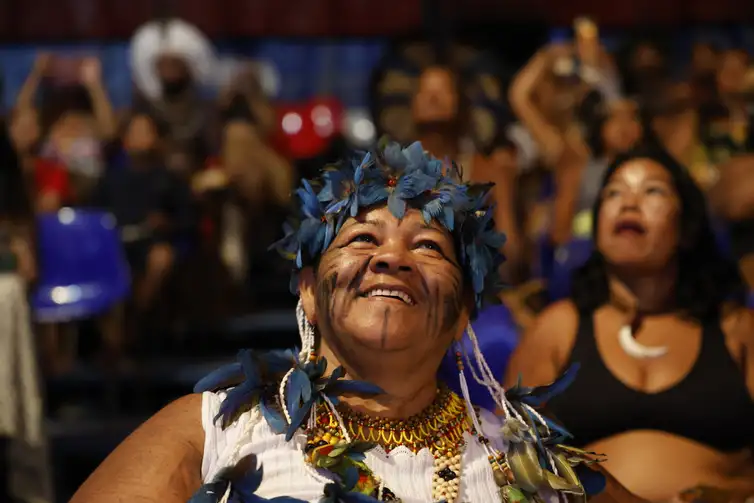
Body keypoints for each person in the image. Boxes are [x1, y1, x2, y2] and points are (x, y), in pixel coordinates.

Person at [70, 141, 641, 503]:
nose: (392, 258)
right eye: (363, 238)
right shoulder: (218, 429)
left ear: (465, 308)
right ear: (309, 294)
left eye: (428, 248)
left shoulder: (525, 459)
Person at [507, 144, 754, 502]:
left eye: (652, 190)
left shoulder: (736, 328)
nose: (629, 202)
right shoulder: (558, 327)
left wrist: (731, 493)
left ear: (685, 227)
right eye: (613, 193)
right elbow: (511, 452)